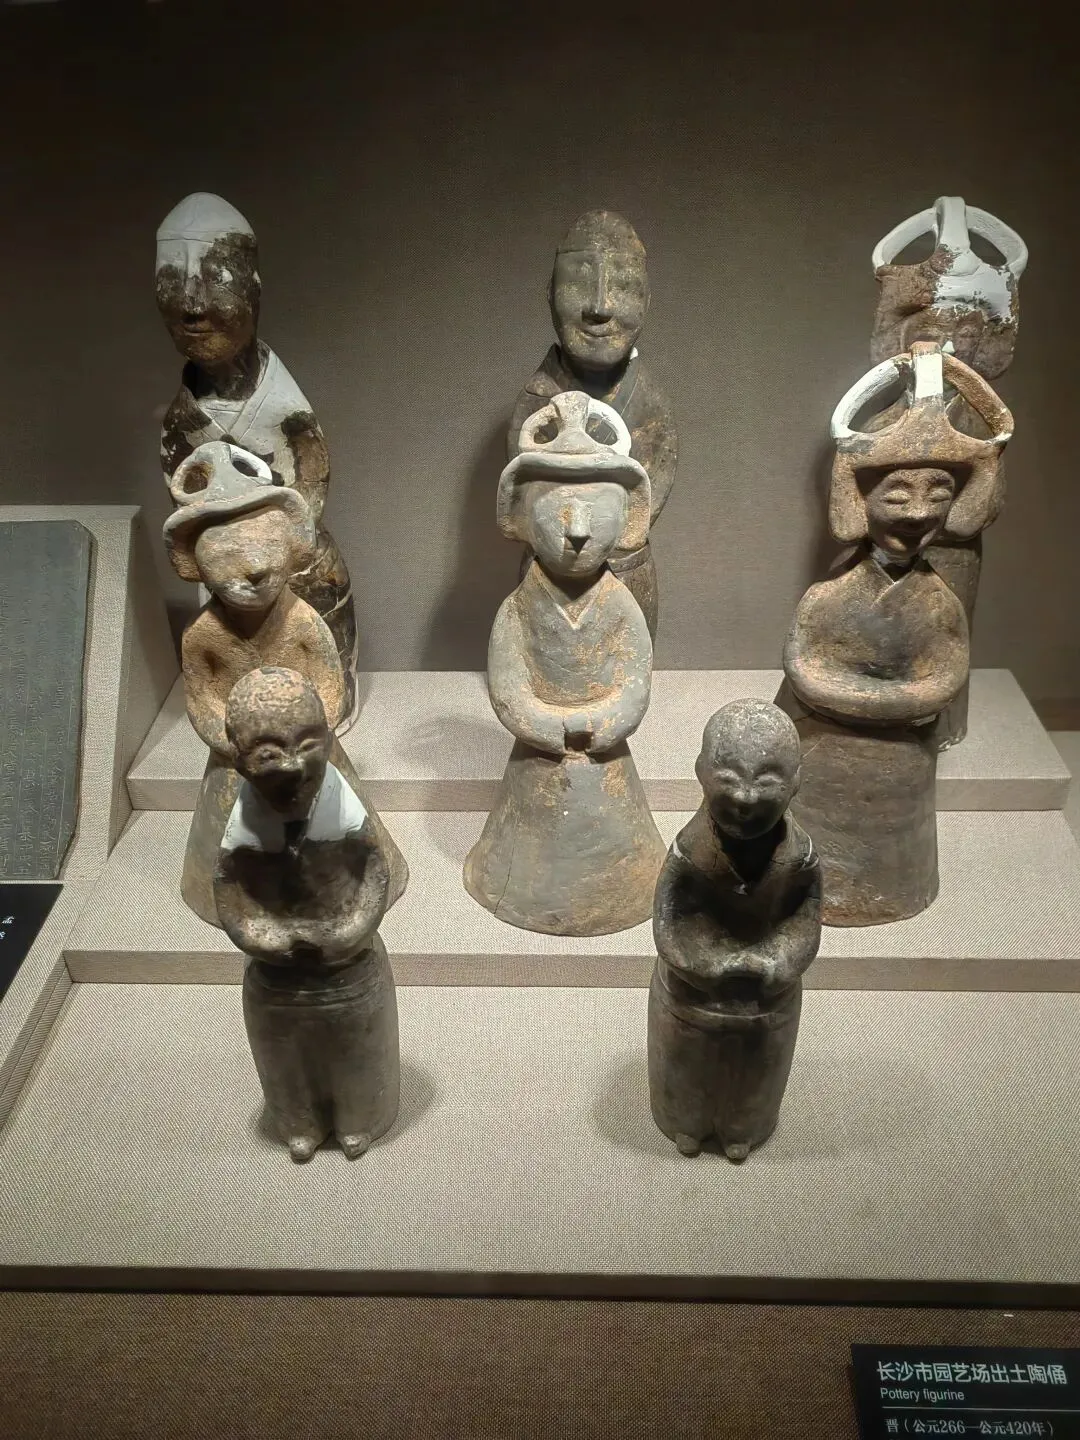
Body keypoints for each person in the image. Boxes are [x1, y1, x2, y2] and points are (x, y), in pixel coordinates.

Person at [156, 191, 357, 717]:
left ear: (253, 288)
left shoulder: (291, 417)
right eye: (171, 279)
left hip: (300, 584)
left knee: (317, 706)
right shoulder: (181, 421)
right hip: (228, 601)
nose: (192, 304)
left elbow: (308, 501)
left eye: (214, 277)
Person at [215, 668, 399, 1163]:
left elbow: (374, 873)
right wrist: (266, 939)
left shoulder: (342, 809)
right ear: (239, 759)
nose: (293, 765)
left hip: (347, 964)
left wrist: (350, 932)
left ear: (328, 737)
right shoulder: (245, 826)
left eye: (308, 744)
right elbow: (230, 894)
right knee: (284, 1057)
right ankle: (300, 1124)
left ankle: (360, 1119)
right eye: (269, 753)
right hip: (276, 975)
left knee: (356, 1049)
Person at [649, 699, 821, 1161]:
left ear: (795, 782)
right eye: (729, 779)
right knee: (688, 1062)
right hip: (693, 990)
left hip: (766, 995)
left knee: (754, 1070)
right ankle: (685, 1123)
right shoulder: (689, 851)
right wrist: (707, 965)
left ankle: (742, 1129)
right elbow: (669, 922)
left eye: (766, 782)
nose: (745, 798)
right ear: (702, 773)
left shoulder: (800, 857)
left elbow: (804, 919)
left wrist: (776, 963)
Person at [508, 210, 677, 636]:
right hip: (548, 576)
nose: (600, 307)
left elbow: (645, 500)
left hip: (627, 574)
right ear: (549, 296)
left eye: (623, 286)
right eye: (579, 284)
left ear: (647, 300)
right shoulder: (537, 403)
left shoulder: (650, 405)